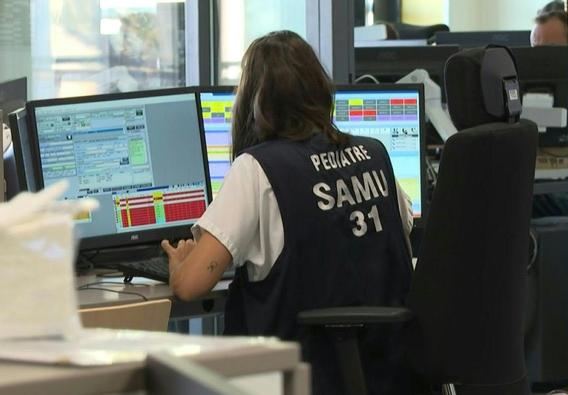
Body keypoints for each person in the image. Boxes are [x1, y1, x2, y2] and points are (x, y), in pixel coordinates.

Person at [161, 30, 413, 395]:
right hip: (386, 371)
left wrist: (180, 262)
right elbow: (394, 237)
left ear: (256, 103)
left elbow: (190, 286)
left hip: (294, 377)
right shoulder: (375, 154)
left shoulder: (258, 168)